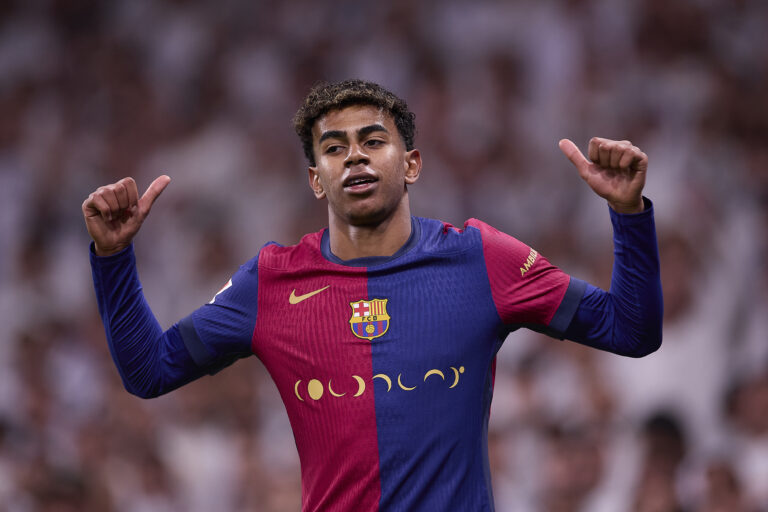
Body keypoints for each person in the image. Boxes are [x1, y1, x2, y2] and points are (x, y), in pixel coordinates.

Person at [83, 79, 662, 511]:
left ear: (410, 164)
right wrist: (112, 258)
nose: (353, 155)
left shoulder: (482, 257)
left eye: (372, 140)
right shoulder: (271, 281)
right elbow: (148, 371)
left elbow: (631, 332)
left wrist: (628, 213)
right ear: (316, 179)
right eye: (333, 147)